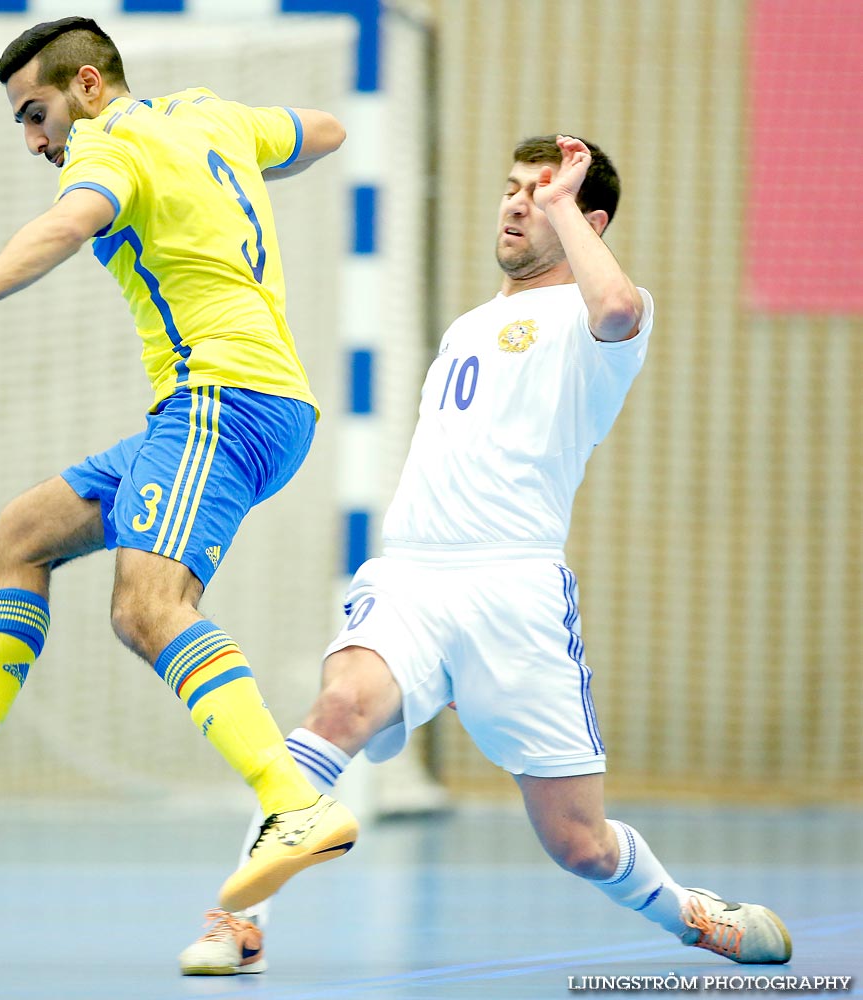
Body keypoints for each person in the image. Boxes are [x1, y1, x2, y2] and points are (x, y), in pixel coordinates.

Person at [178, 134, 793, 976]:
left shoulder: (602, 314)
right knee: (337, 709)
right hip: (414, 575)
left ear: (587, 219)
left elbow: (612, 309)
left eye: (540, 194)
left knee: (577, 843)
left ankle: (686, 912)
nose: (515, 203)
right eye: (512, 188)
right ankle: (237, 918)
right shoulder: (467, 325)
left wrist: (561, 211)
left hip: (514, 589)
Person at [0, 16, 357, 909]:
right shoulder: (206, 115)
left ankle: (292, 800)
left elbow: (70, 223)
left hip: (224, 401)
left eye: (36, 114)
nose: (34, 139)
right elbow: (326, 130)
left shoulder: (105, 148)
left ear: (90, 88)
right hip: (219, 405)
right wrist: (238, 166)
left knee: (148, 606)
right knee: (23, 532)